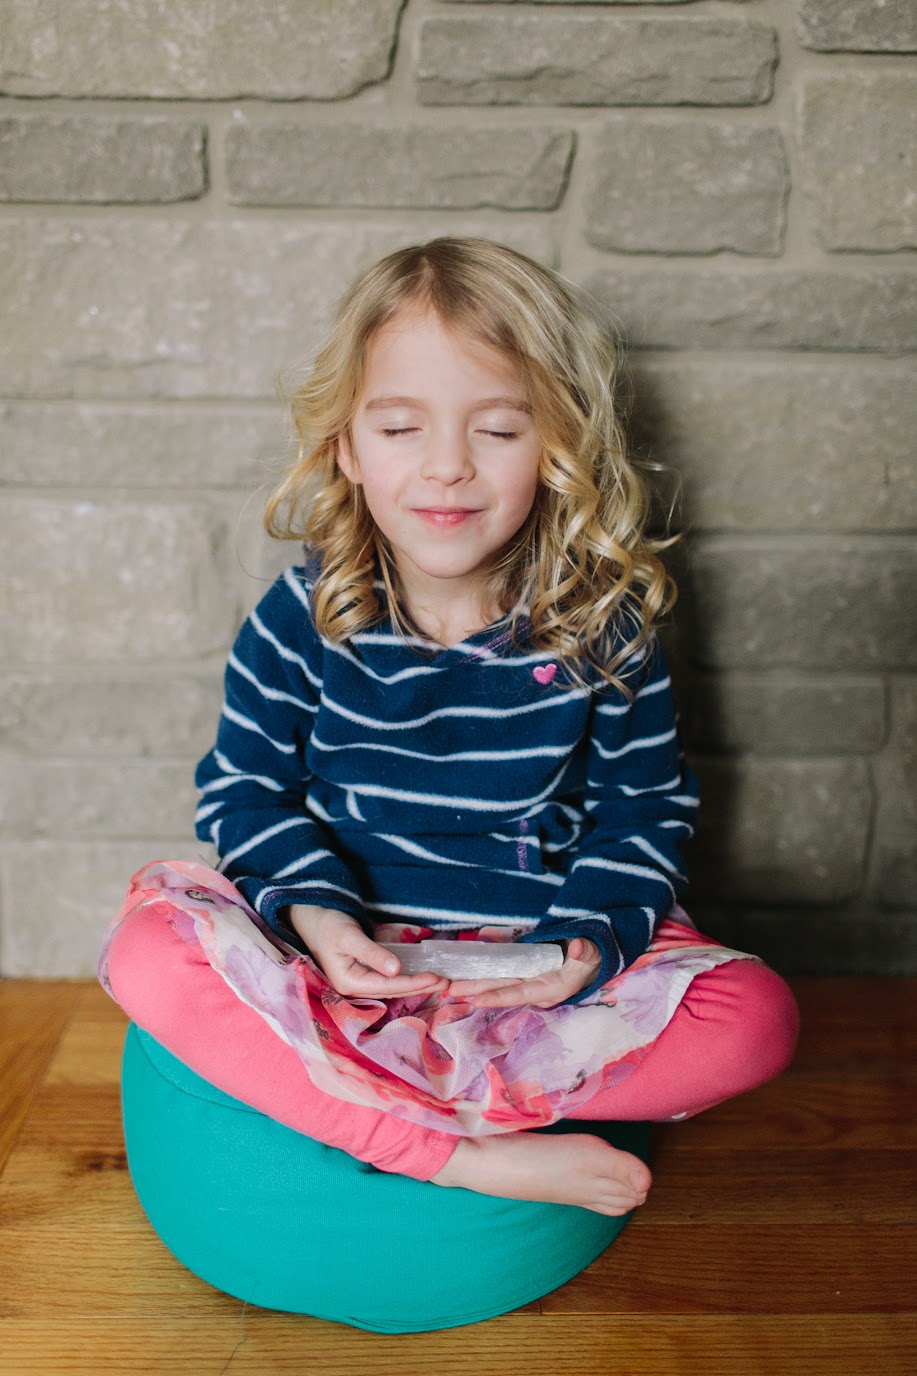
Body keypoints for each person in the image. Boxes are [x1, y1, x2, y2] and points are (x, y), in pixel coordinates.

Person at [101, 237, 798, 1218]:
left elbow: (641, 814)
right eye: (400, 427)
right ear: (347, 447)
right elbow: (245, 794)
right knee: (146, 951)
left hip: (525, 975)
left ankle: (357, 1097)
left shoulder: (607, 629)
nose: (446, 467)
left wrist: (580, 949)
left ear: (556, 446)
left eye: (498, 429)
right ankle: (456, 1153)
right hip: (341, 962)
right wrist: (319, 919)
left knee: (755, 1019)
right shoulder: (299, 619)